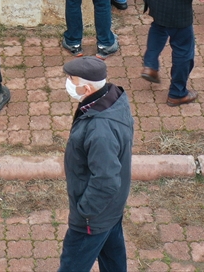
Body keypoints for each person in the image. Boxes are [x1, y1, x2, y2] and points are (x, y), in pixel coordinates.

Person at [59, 56, 133, 272]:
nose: (69, 84)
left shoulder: (100, 131)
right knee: (113, 261)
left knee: (71, 266)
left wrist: (85, 213)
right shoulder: (111, 100)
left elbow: (106, 180)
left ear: (87, 88)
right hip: (110, 210)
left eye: (72, 80)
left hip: (93, 218)